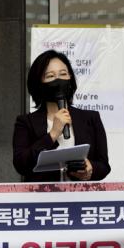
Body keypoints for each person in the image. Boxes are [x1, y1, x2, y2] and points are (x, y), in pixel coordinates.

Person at [13, 49, 110, 182]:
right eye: (50, 76)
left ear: (70, 78)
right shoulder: (25, 122)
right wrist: (53, 134)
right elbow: (21, 164)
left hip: (80, 194)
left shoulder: (91, 118)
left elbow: (104, 165)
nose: (58, 80)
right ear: (39, 83)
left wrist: (90, 169)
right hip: (42, 194)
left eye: (63, 74)